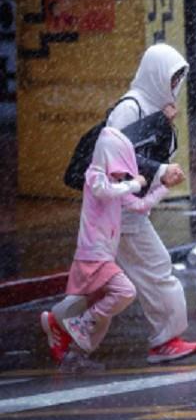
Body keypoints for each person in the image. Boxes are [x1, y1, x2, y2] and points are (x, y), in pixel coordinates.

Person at [41, 44, 196, 365]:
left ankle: (62, 326)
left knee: (106, 283)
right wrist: (158, 172)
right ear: (155, 75)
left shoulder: (153, 107)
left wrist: (162, 125)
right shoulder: (130, 108)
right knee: (156, 270)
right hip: (121, 212)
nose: (175, 87)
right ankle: (164, 340)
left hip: (120, 211)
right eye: (171, 79)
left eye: (177, 80)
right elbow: (112, 155)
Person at [56, 128, 170, 372]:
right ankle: (79, 324)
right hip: (93, 254)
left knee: (102, 314)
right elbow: (103, 191)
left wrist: (162, 187)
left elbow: (140, 206)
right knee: (125, 292)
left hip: (103, 254)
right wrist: (132, 183)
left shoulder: (117, 184)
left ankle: (75, 355)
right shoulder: (95, 176)